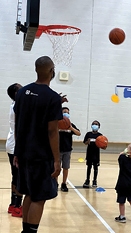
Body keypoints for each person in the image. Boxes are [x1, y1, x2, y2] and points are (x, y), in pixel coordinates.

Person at [14, 56, 63, 233]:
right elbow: (52, 131)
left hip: (25, 152)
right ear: (52, 71)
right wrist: (57, 160)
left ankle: (25, 231)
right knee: (38, 198)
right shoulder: (52, 97)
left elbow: (18, 123)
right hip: (41, 156)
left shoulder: (22, 92)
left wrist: (18, 151)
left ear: (36, 70)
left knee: (29, 193)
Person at [6, 83, 23, 217]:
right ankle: (17, 206)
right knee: (19, 177)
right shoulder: (18, 106)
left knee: (16, 176)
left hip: (12, 143)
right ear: (17, 94)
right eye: (21, 88)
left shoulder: (15, 105)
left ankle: (13, 205)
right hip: (15, 145)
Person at [115, 143, 131, 223]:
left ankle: (122, 216)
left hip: (122, 183)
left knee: (121, 201)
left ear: (130, 153)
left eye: (128, 148)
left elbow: (120, 156)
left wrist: (123, 153)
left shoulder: (123, 158)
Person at [59, 107, 81, 192]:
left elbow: (79, 133)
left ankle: (64, 183)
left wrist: (71, 128)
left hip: (67, 150)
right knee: (56, 167)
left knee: (66, 167)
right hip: (58, 150)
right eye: (64, 112)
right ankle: (55, 183)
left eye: (67, 112)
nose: (66, 113)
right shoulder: (57, 123)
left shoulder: (70, 124)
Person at [83, 120, 104, 188]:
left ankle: (94, 180)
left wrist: (103, 145)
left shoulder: (100, 136)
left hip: (96, 154)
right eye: (93, 124)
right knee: (89, 167)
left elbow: (103, 146)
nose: (95, 125)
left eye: (96, 124)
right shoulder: (88, 134)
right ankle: (87, 180)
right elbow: (85, 142)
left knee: (95, 167)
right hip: (89, 153)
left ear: (99, 127)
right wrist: (87, 142)